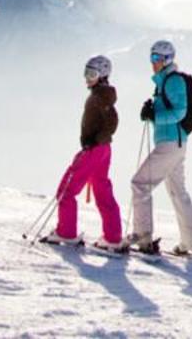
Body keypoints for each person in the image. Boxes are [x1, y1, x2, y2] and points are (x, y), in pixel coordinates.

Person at [127, 39, 192, 259]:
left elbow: (179, 113)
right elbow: (170, 116)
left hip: (171, 144)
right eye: (151, 58)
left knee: (140, 184)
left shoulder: (172, 81)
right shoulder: (164, 82)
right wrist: (152, 113)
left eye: (157, 58)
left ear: (167, 60)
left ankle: (143, 237)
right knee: (178, 192)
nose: (153, 62)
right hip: (176, 143)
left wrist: (155, 115)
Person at [38, 54, 125, 253]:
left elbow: (112, 121)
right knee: (101, 188)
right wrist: (100, 141)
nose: (87, 77)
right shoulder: (101, 94)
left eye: (92, 73)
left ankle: (66, 233)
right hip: (102, 149)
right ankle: (113, 237)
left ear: (102, 75)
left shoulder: (100, 96)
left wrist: (96, 140)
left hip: (95, 149)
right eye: (86, 73)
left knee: (67, 189)